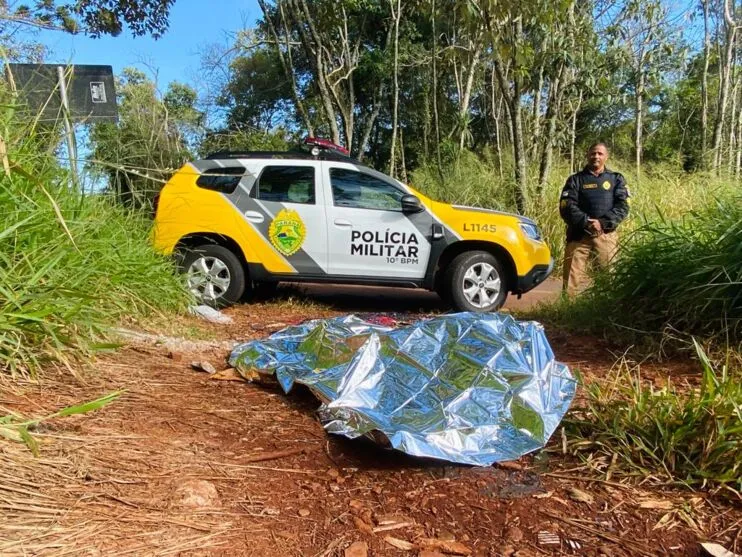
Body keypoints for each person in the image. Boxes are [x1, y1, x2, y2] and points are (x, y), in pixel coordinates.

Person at [559, 142, 630, 295]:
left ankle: (605, 310)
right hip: (578, 236)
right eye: (593, 153)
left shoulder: (616, 179)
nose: (596, 156)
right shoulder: (575, 180)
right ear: (587, 155)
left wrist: (602, 223)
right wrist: (586, 222)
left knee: (608, 279)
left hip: (605, 236)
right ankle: (566, 311)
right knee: (571, 281)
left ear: (606, 157)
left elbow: (623, 206)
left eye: (600, 153)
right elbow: (566, 206)